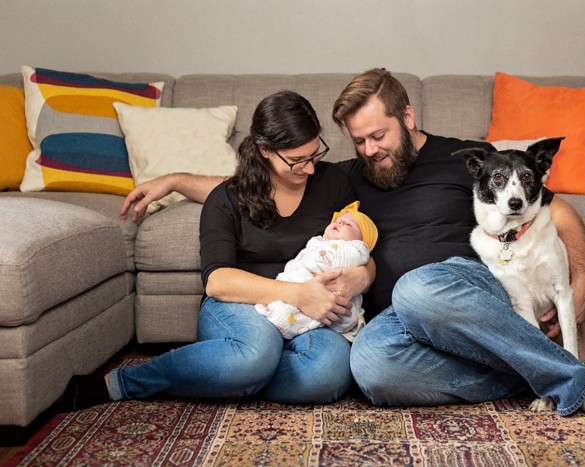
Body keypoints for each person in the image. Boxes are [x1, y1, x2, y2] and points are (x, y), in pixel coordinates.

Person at [119, 69, 585, 427]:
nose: (369, 151)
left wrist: (580, 284)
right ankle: (530, 372)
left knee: (414, 286)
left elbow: (557, 211)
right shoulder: (344, 177)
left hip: (463, 289)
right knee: (369, 368)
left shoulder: (468, 160)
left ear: (406, 117)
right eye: (358, 140)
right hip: (396, 319)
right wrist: (171, 180)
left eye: (378, 135)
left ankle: (576, 382)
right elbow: (259, 185)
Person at [59, 90, 373, 411]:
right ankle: (127, 381)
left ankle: (231, 375)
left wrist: (360, 276)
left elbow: (362, 249)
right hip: (241, 306)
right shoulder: (226, 199)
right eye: (296, 160)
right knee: (255, 353)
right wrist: (297, 293)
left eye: (314, 154)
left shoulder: (333, 182)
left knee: (328, 373)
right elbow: (218, 282)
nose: (308, 168)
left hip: (311, 314)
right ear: (265, 150)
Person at [256, 200, 378, 341]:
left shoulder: (354, 250)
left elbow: (333, 260)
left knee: (284, 315)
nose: (339, 223)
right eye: (338, 220)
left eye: (349, 224)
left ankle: (280, 320)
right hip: (294, 284)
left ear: (363, 241)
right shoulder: (318, 241)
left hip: (323, 293)